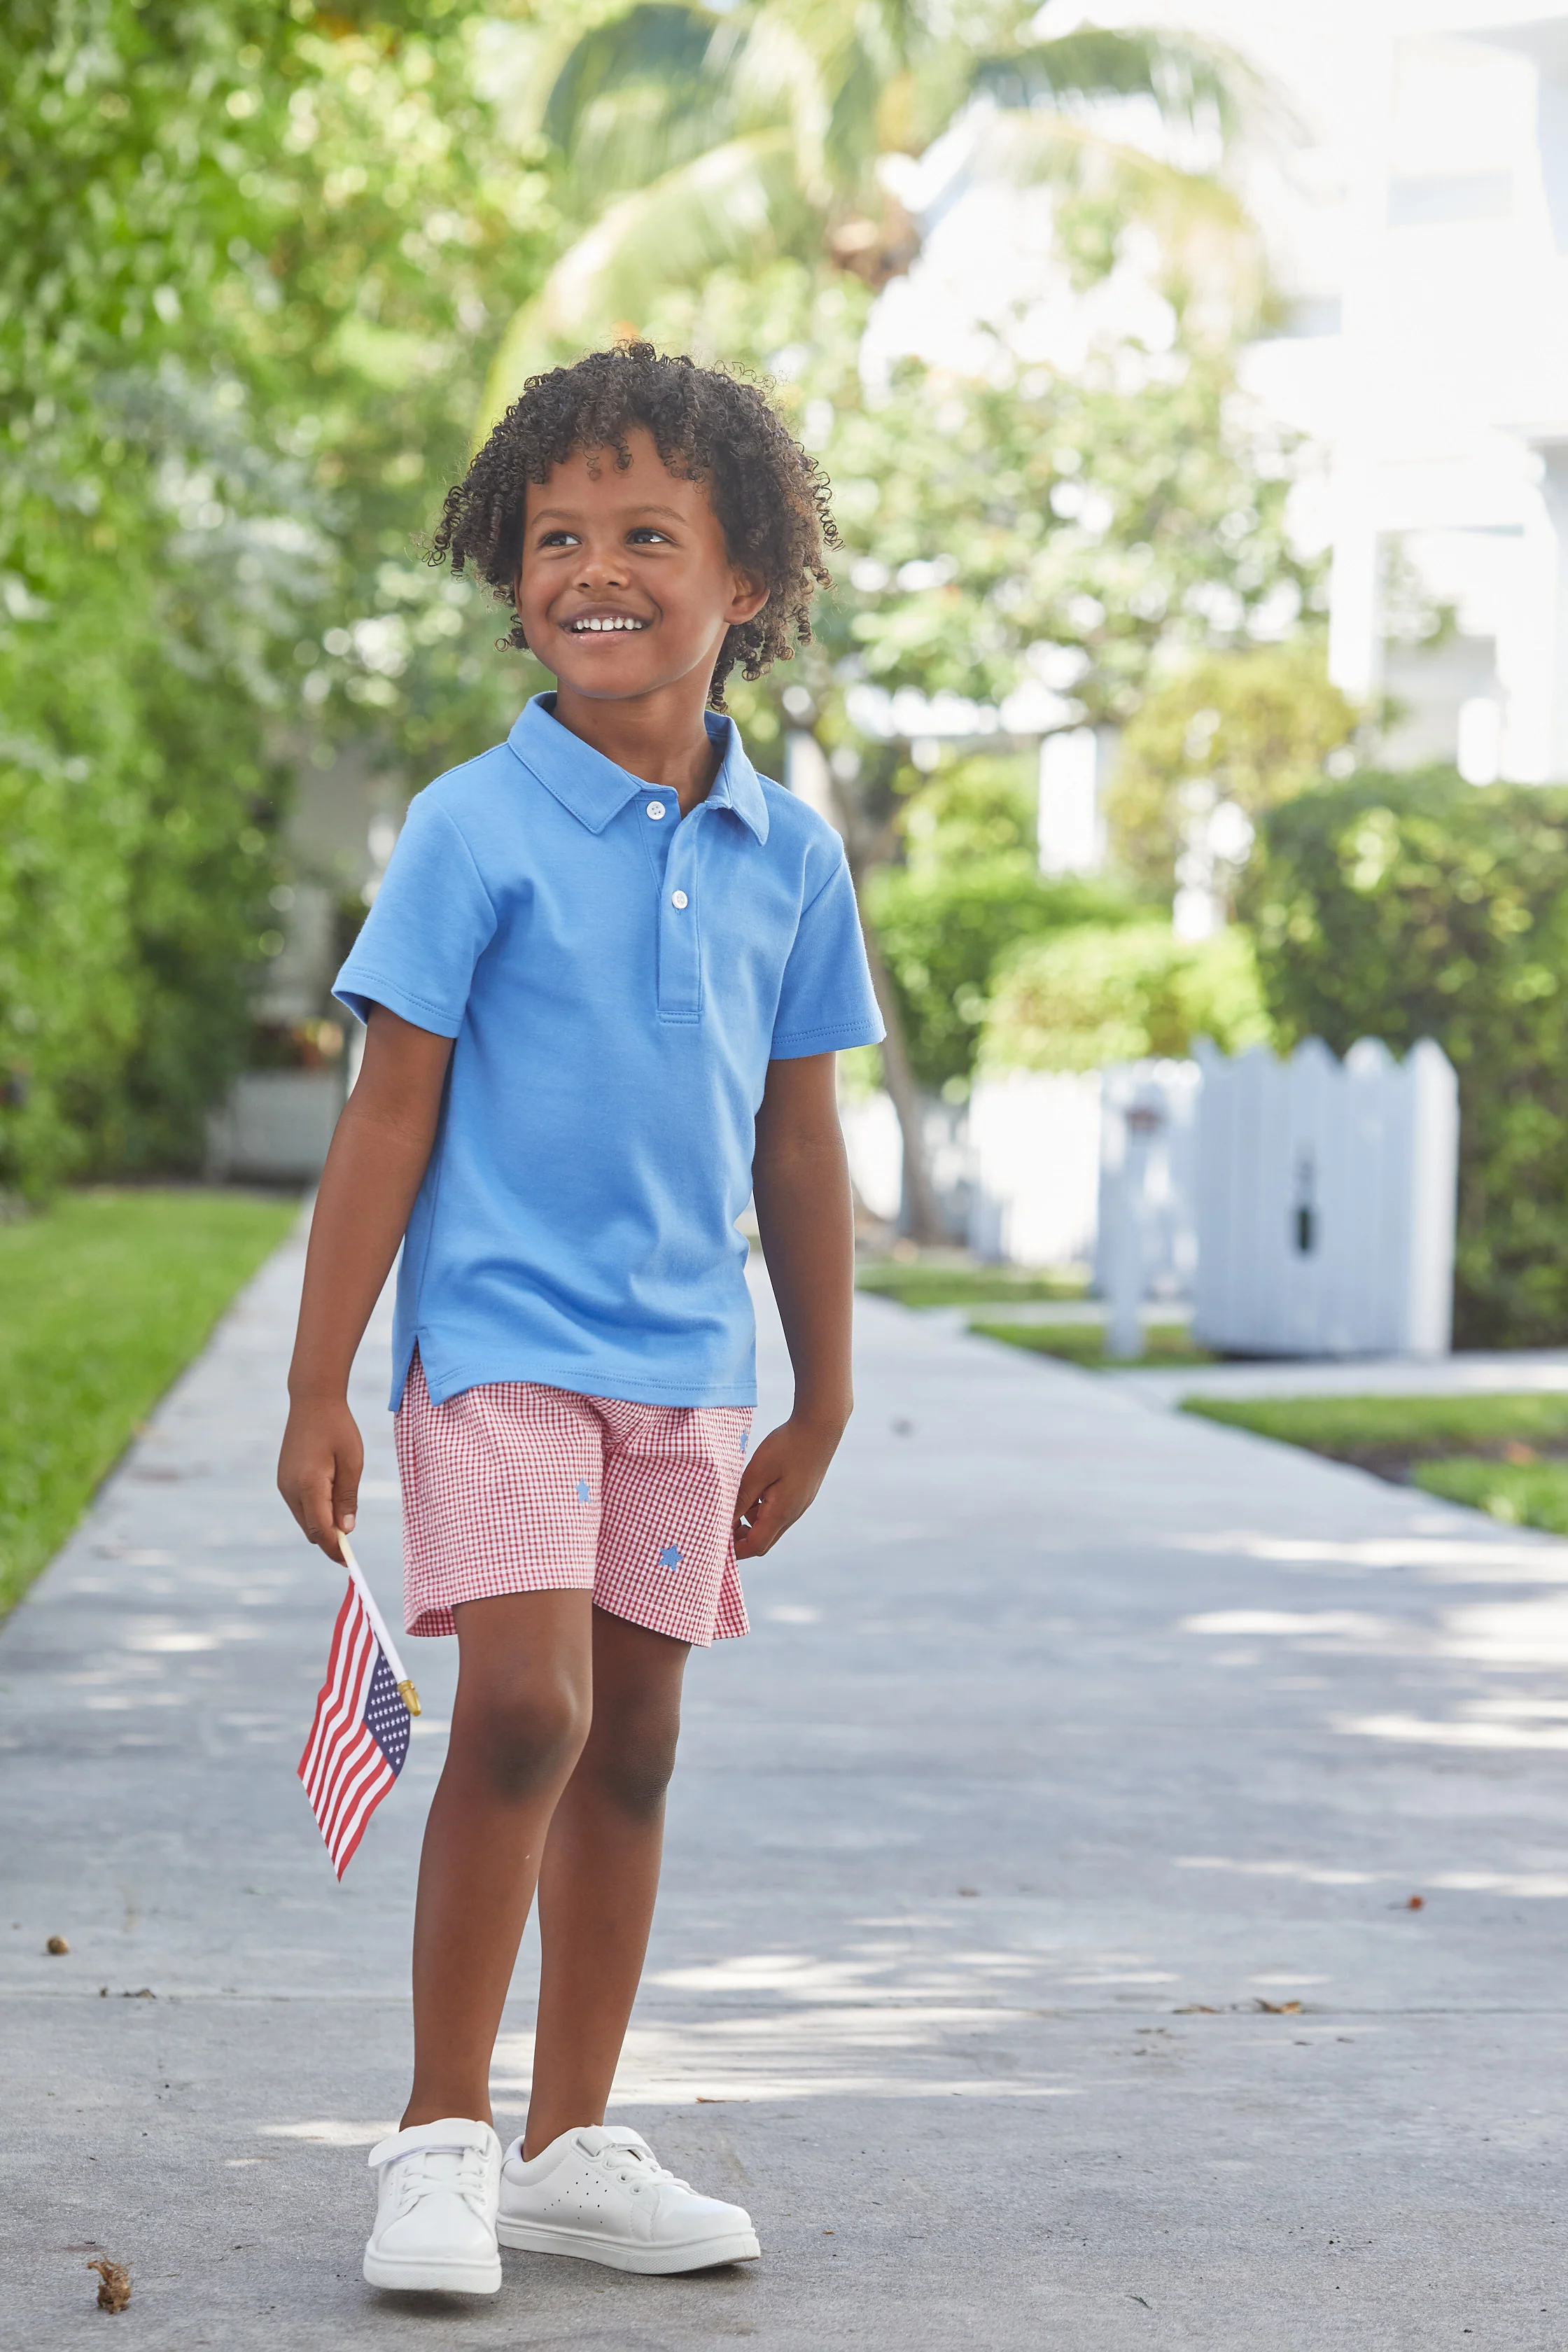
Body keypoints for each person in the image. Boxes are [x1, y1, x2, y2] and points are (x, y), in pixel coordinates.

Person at [276, 342, 884, 2297]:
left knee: (634, 1747)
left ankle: (569, 2147)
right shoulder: (473, 824)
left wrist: (827, 1384)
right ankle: (441, 2132)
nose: (593, 567)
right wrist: (317, 1381)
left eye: (647, 533)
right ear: (508, 563)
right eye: (557, 534)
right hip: (501, 1360)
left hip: (687, 1382)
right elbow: (388, 1115)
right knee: (522, 1712)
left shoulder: (791, 855)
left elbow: (800, 1142)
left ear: (750, 581)